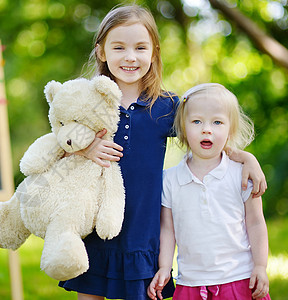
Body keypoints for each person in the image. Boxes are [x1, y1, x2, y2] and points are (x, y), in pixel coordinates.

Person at [59, 4, 267, 300]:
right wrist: (88, 146)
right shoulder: (88, 102)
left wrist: (248, 158)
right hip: (95, 226)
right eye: (119, 47)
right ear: (101, 52)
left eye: (140, 48)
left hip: (142, 232)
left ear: (154, 52)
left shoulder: (166, 106)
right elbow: (61, 141)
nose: (130, 57)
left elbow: (203, 133)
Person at [148, 83, 270, 300]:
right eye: (196, 121)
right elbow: (168, 229)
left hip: (238, 278)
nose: (207, 129)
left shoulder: (242, 174)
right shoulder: (170, 179)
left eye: (217, 122)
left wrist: (260, 266)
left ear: (230, 129)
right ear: (183, 129)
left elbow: (256, 222)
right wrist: (165, 267)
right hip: (191, 282)